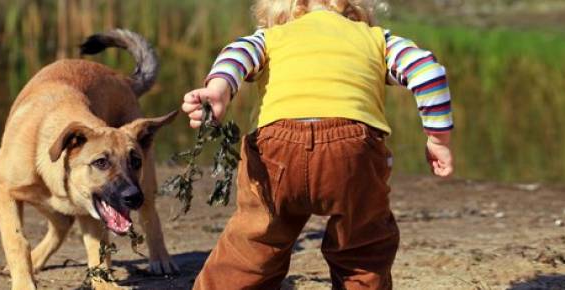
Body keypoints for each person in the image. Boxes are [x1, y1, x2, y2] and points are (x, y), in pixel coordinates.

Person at [181, 0, 454, 289]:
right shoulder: (377, 39)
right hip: (352, 152)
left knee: (255, 241)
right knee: (361, 245)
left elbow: (237, 55)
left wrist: (219, 89)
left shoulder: (272, 36)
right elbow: (428, 73)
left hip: (277, 148)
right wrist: (438, 139)